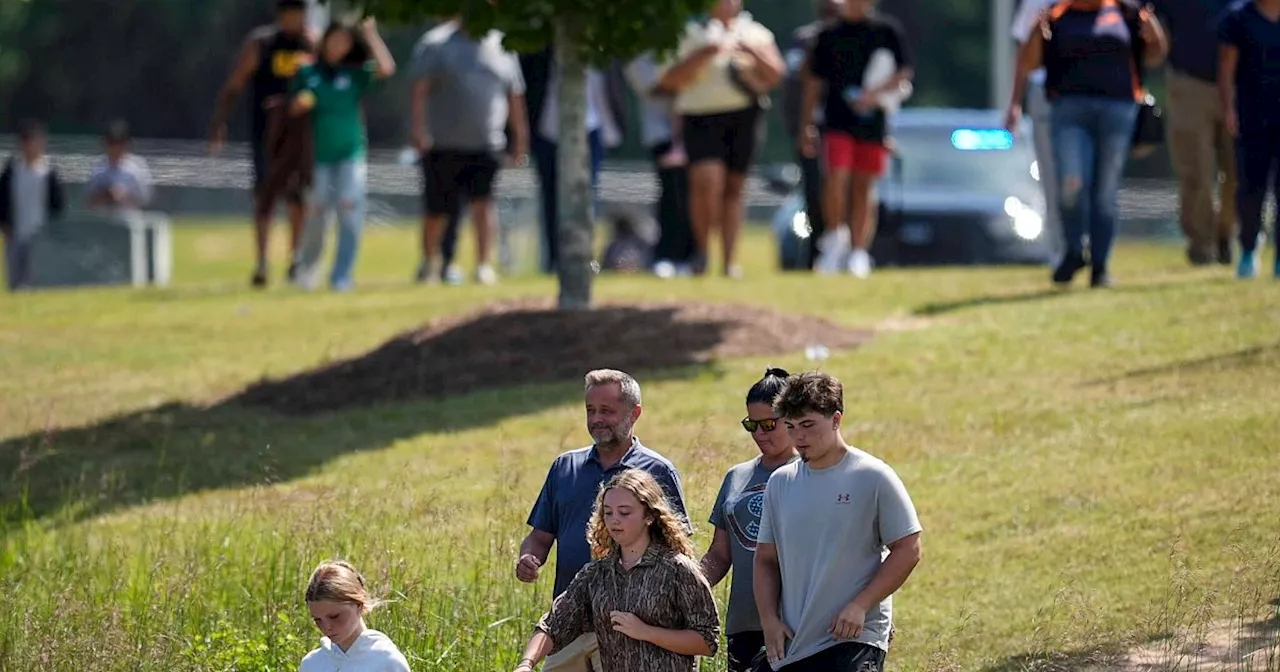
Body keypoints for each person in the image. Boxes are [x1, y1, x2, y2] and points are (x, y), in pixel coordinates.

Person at [516, 368, 692, 672]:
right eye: (590, 410)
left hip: (633, 630)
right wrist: (528, 558)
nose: (596, 418)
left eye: (607, 411)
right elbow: (540, 536)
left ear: (634, 413)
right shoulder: (564, 468)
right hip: (569, 625)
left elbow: (677, 547)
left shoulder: (658, 471)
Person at [753, 371, 923, 672]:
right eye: (790, 427)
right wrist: (769, 621)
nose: (799, 438)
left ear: (836, 419)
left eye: (808, 425)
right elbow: (766, 560)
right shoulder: (780, 483)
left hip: (855, 640)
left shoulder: (873, 476)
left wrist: (861, 605)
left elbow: (909, 548)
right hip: (794, 644)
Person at [1006, 0, 1168, 288]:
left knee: (1105, 192)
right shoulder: (1057, 15)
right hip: (1069, 112)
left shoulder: (1124, 13)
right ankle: (1072, 249)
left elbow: (1154, 56)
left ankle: (1101, 266)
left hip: (1118, 111)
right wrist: (1035, 35)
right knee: (1072, 183)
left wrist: (1153, 33)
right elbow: (1031, 63)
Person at [512, 469, 719, 672]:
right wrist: (526, 664)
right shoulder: (596, 573)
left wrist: (646, 632)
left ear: (649, 516)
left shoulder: (678, 569)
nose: (614, 520)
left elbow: (708, 640)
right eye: (608, 513)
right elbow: (553, 624)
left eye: (625, 512)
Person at [659, 0, 785, 278]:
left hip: (744, 116)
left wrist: (751, 52)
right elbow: (669, 80)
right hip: (700, 117)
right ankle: (702, 252)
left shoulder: (756, 33)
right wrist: (705, 53)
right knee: (707, 181)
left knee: (733, 188)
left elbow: (777, 74)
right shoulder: (690, 33)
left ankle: (729, 262)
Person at [410, 16, 529, 287]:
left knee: (483, 205)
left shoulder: (502, 45)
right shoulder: (435, 43)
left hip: (487, 143)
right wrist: (418, 130)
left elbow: (514, 95)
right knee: (437, 209)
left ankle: (483, 265)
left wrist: (520, 138)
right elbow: (419, 89)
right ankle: (429, 263)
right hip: (442, 143)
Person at [799, 0, 913, 279]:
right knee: (836, 177)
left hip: (873, 123)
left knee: (864, 186)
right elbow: (813, 82)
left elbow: (903, 72)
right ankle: (836, 238)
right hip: (837, 121)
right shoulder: (828, 34)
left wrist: (873, 95)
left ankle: (858, 251)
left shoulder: (887, 31)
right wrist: (806, 125)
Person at [209, 0, 318, 289]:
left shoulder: (312, 43)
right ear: (281, 15)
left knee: (298, 197)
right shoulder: (262, 43)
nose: (294, 19)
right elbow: (235, 84)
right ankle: (262, 261)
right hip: (267, 134)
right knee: (265, 196)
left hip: (302, 135)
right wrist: (219, 121)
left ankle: (295, 260)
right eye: (290, 14)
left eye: (299, 14)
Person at [699, 368, 799, 672]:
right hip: (744, 622)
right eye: (751, 425)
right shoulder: (737, 476)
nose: (759, 434)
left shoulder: (811, 473)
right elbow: (720, 553)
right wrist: (687, 586)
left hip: (796, 623)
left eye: (769, 424)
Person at [290, 17, 396, 293]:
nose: (338, 46)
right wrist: (300, 104)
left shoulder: (354, 75)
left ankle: (341, 276)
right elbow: (292, 106)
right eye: (334, 39)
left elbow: (386, 69)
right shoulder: (308, 71)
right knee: (316, 214)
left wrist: (371, 35)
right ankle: (308, 273)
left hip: (350, 154)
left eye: (345, 41)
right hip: (318, 157)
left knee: (349, 211)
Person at [520, 49, 629, 275]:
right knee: (552, 198)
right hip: (549, 130)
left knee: (588, 198)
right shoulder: (542, 53)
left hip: (591, 129)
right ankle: (553, 261)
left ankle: (585, 260)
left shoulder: (601, 51)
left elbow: (609, 89)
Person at [1153, 0, 1238, 267]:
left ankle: (1226, 230)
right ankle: (1202, 244)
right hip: (1188, 81)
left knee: (1240, 170)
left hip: (1242, 84)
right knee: (1195, 171)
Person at [1218, 0, 1280, 279]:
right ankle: (1248, 247)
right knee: (1250, 189)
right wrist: (1229, 109)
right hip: (1251, 116)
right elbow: (1227, 68)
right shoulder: (1238, 18)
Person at [625, 51, 697, 278]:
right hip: (662, 134)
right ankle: (669, 255)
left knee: (692, 198)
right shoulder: (639, 53)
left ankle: (692, 256)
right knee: (672, 197)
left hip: (695, 134)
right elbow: (657, 85)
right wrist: (691, 72)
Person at [782, 0, 840, 270]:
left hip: (843, 126)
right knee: (815, 193)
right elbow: (796, 82)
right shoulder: (805, 39)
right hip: (813, 128)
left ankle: (844, 251)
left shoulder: (855, 39)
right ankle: (817, 253)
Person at [1011, 0, 1066, 260]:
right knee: (1052, 178)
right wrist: (1014, 103)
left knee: (1089, 177)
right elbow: (1023, 51)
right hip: (1046, 93)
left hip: (1094, 91)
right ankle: (1060, 249)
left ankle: (1090, 242)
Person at [300, 559, 411, 672]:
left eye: (334, 616)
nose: (326, 627)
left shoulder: (387, 662)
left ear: (359, 605)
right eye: (318, 619)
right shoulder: (312, 664)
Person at [0, 119, 65, 291]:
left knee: (37, 278)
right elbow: (3, 199)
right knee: (15, 278)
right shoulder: (12, 170)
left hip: (40, 232)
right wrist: (4, 224)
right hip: (15, 232)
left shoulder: (47, 172)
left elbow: (57, 204)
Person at [86, 120, 153, 212]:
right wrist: (105, 195)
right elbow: (89, 201)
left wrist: (124, 195)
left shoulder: (138, 166)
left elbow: (145, 200)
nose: (116, 148)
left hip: (129, 219)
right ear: (105, 144)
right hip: (103, 219)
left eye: (120, 143)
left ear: (127, 144)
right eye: (112, 143)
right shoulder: (97, 167)